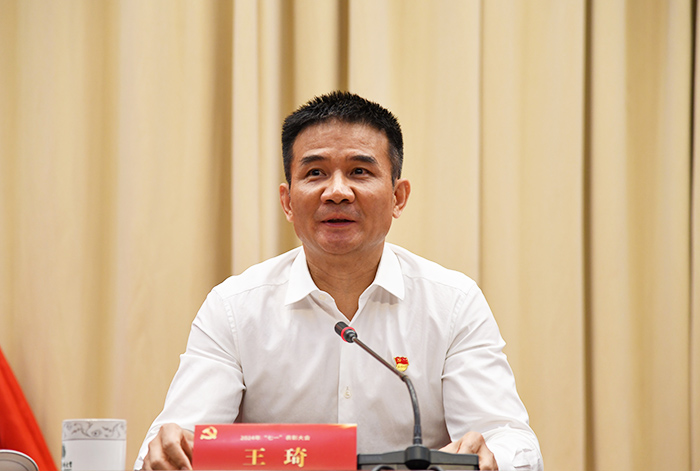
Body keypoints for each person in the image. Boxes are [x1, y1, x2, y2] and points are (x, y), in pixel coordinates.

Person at [136, 91, 543, 471]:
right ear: (287, 201)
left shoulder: (452, 303)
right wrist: (170, 450)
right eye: (315, 172)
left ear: (398, 197)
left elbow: (508, 436)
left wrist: (492, 456)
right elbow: (175, 439)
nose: (337, 192)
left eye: (359, 171)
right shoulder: (234, 307)